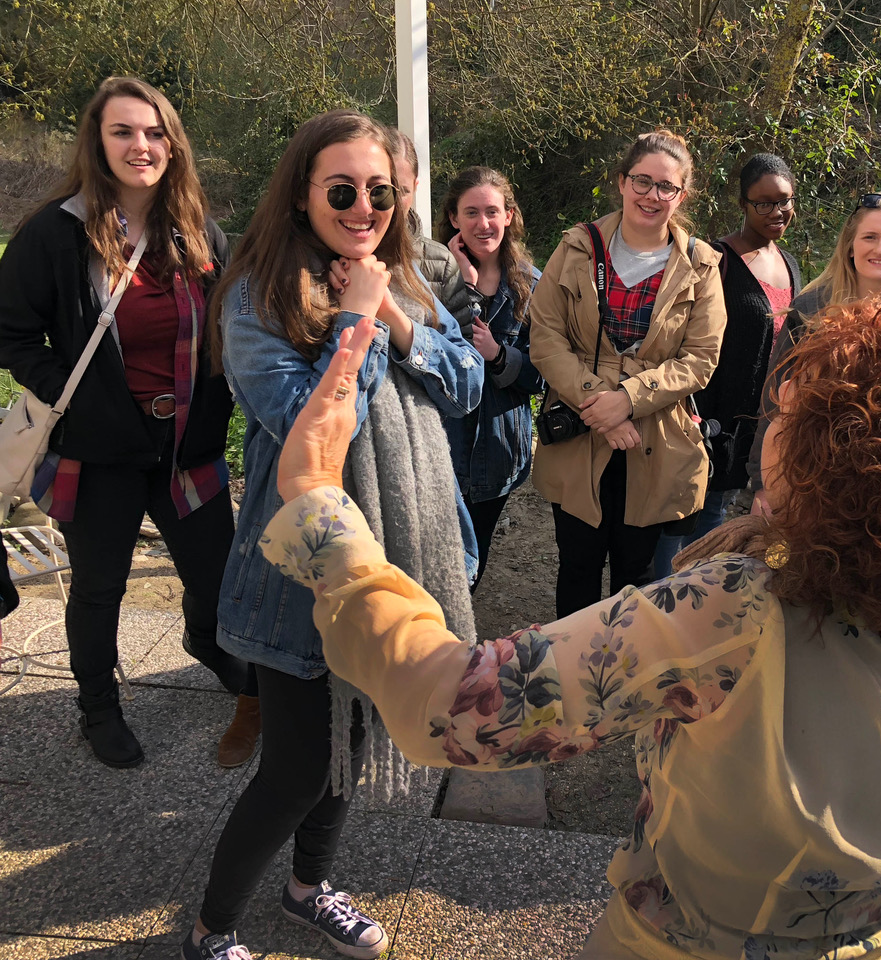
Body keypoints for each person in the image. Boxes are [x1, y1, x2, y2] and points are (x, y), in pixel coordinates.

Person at [262, 291, 881, 959]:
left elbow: (452, 708)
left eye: (797, 423)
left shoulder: (734, 610)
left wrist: (318, 507)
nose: (771, 432)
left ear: (828, 478)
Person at [184, 110, 483, 960]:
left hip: (400, 552)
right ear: (301, 194)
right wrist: (356, 321)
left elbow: (465, 384)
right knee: (297, 768)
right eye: (342, 191)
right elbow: (307, 425)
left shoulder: (411, 275)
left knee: (354, 742)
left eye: (380, 192)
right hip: (301, 569)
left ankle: (309, 886)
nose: (364, 208)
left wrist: (390, 312)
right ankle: (213, 927)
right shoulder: (255, 295)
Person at [0, 76, 254, 769]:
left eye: (153, 132)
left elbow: (233, 333)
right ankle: (98, 707)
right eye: (123, 131)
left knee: (215, 576)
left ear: (172, 145)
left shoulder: (201, 235)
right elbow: (13, 334)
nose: (140, 145)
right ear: (98, 140)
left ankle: (204, 642)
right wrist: (73, 397)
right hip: (99, 453)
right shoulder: (55, 234)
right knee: (100, 585)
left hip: (189, 449)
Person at [528, 129, 727, 617]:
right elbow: (546, 336)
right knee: (576, 566)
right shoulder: (577, 248)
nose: (652, 196)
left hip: (654, 439)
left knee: (636, 577)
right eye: (642, 181)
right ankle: (570, 678)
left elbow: (701, 356)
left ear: (681, 196)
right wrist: (602, 405)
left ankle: (621, 682)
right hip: (581, 432)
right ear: (621, 182)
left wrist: (631, 399)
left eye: (666, 187)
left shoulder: (700, 265)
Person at [651, 153, 801, 576]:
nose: (776, 212)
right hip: (709, 416)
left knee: (722, 514)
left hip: (759, 420)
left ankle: (696, 610)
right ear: (743, 204)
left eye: (784, 201)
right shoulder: (717, 260)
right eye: (763, 203)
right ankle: (666, 608)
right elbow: (686, 337)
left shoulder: (789, 263)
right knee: (690, 517)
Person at [745, 190, 881, 513]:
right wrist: (764, 486)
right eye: (870, 236)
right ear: (850, 244)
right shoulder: (810, 311)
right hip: (813, 484)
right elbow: (774, 402)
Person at [436, 166, 545, 587]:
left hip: (498, 450)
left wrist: (500, 357)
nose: (484, 224)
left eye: (493, 211)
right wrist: (463, 286)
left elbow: (543, 374)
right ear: (453, 218)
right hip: (442, 445)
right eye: (471, 213)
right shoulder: (429, 277)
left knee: (470, 565)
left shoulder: (534, 286)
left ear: (509, 216)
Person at [385, 128, 473, 330]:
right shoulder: (335, 253)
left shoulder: (442, 264)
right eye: (384, 189)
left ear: (416, 187)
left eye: (403, 191)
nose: (394, 203)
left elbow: (463, 353)